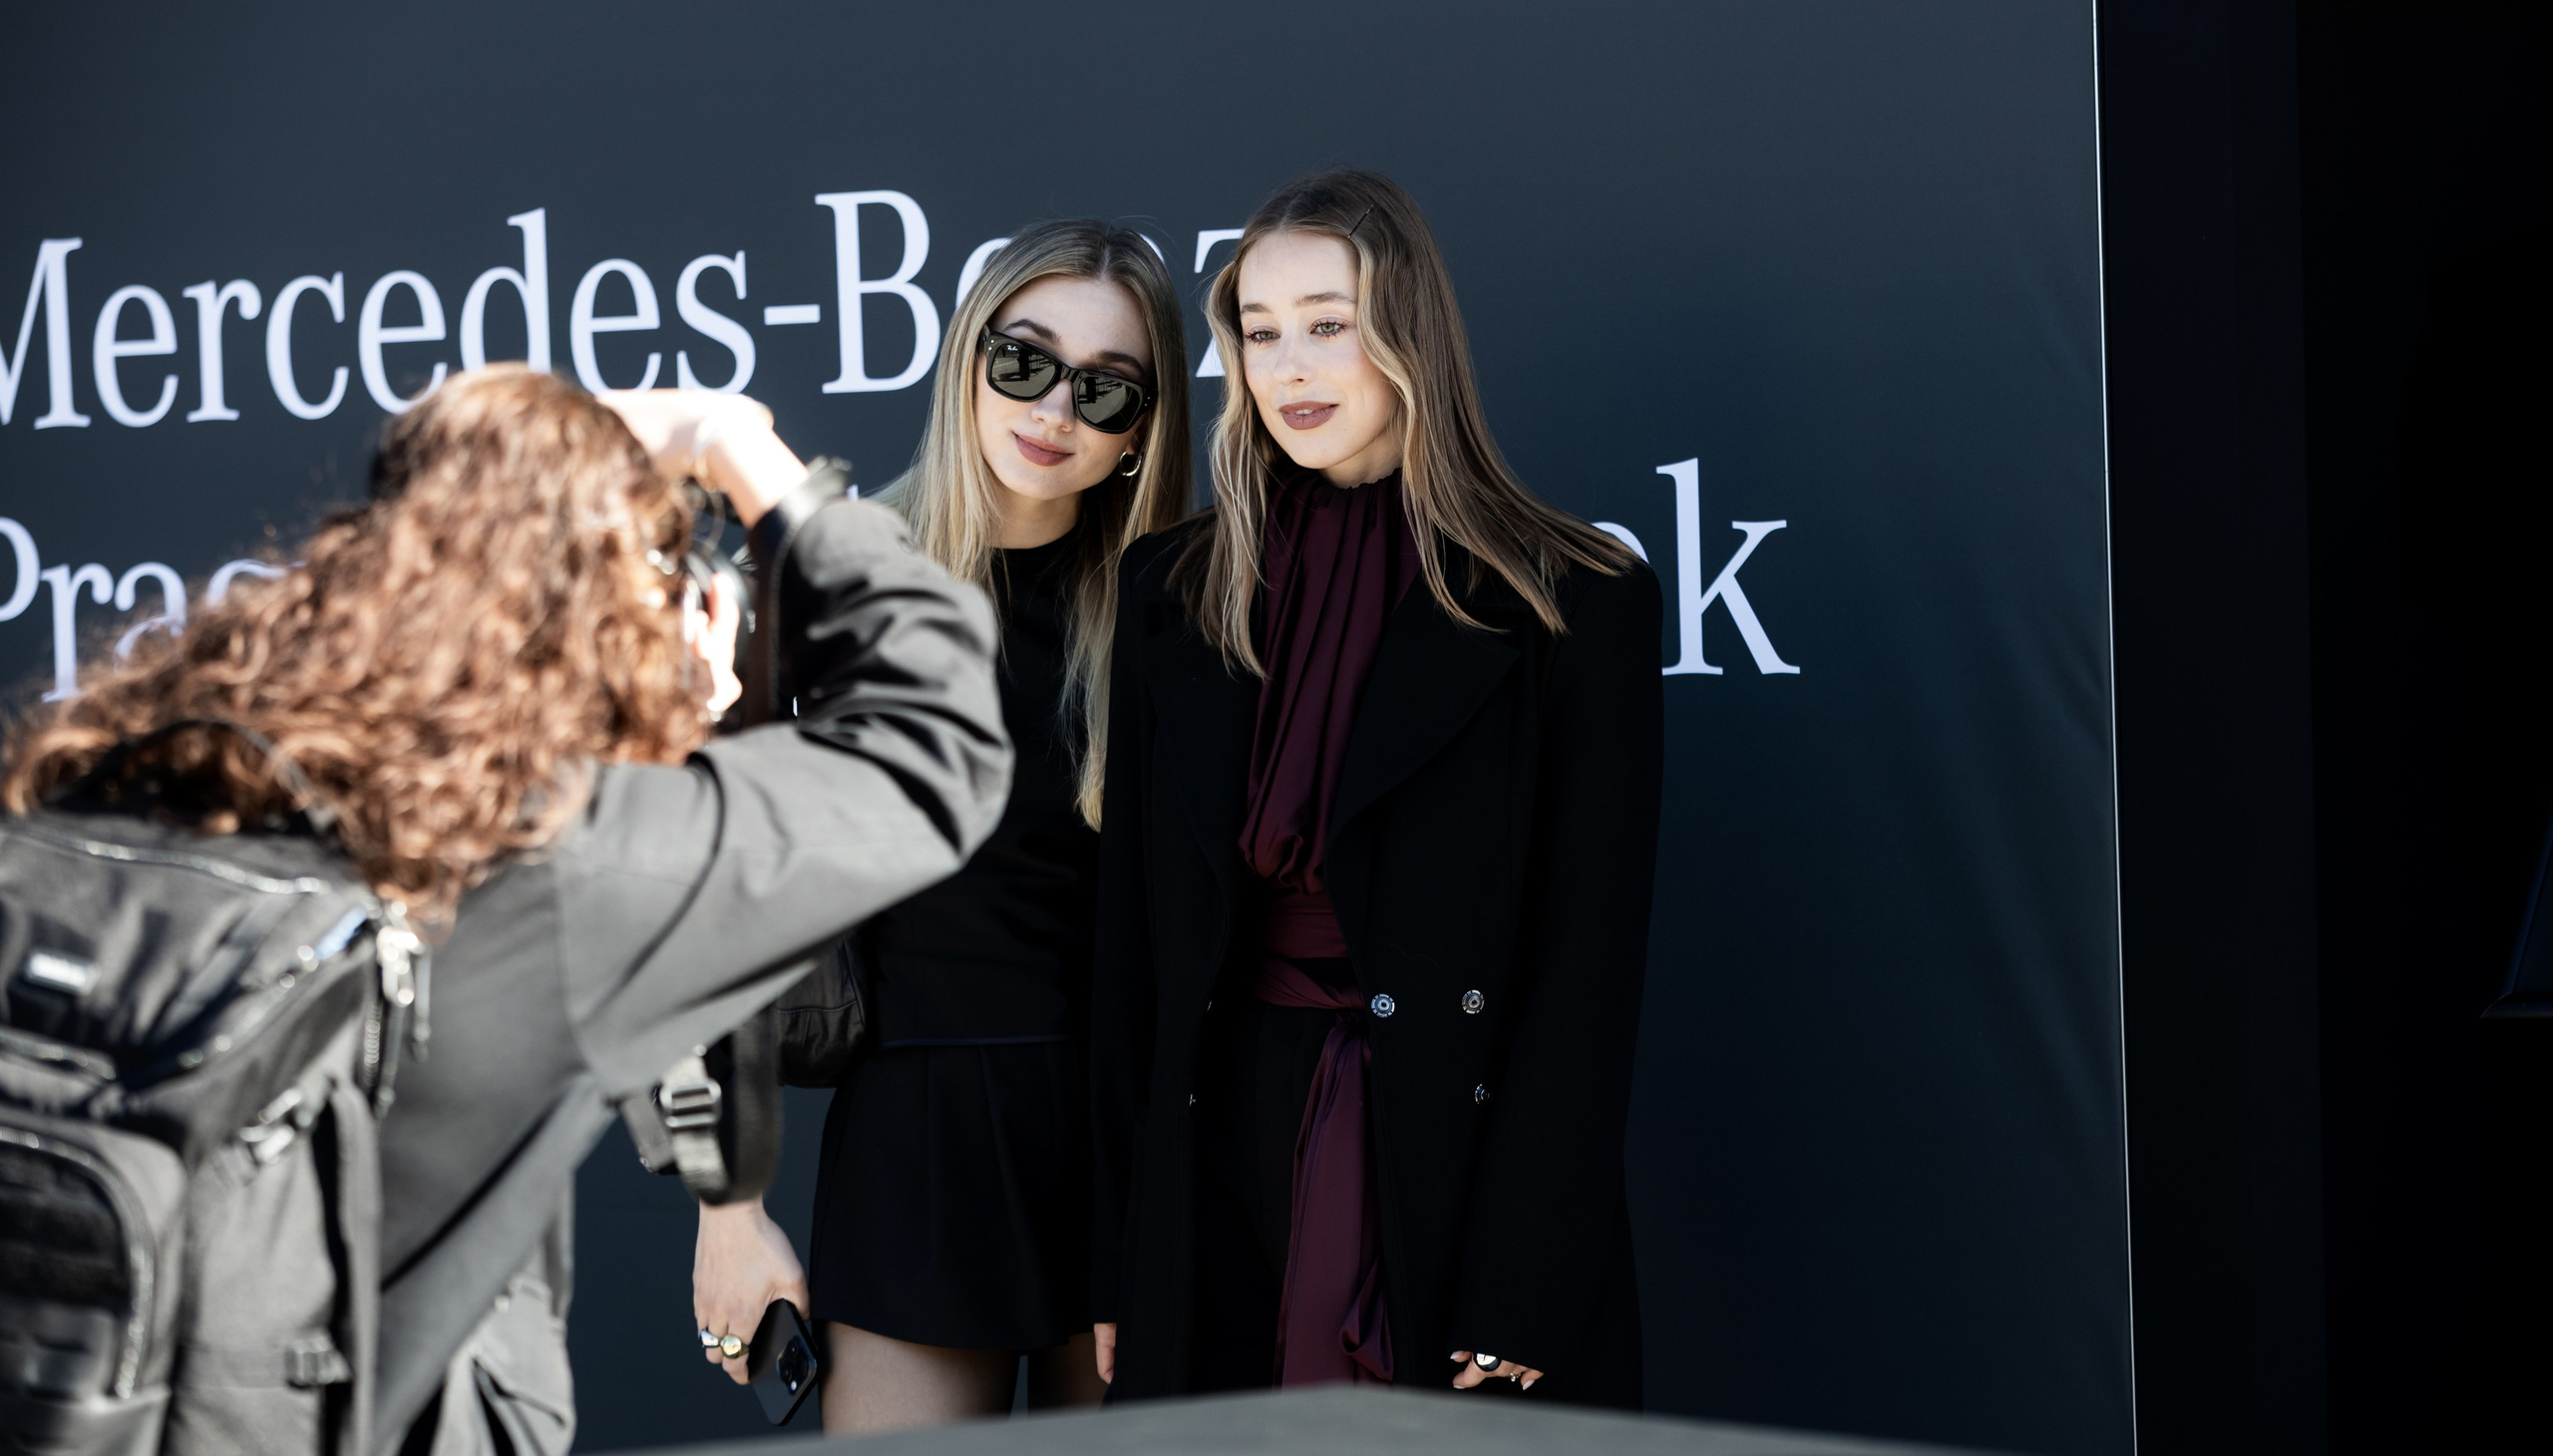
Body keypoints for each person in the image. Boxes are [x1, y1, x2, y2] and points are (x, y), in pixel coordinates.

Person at [0, 367, 1011, 1455]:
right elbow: (935, 744)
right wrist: (732, 449)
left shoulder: (102, 793)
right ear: (628, 608)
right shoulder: (561, 864)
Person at [1088, 171, 1663, 1405]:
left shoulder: (1575, 596)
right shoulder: (1171, 593)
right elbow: (1131, 948)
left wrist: (1527, 1270)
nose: (1289, 365)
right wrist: (1118, 1260)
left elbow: (1588, 968)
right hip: (1214, 1168)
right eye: (1258, 329)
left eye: (1328, 323)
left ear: (1408, 333)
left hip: (1448, 1168)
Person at [687, 222, 1193, 1432]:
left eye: (1105, 388)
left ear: (1142, 430)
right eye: (1023, 360)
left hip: (1132, 1151)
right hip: (916, 1145)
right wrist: (728, 1215)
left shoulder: (1178, 615)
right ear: (966, 356)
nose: (1054, 410)